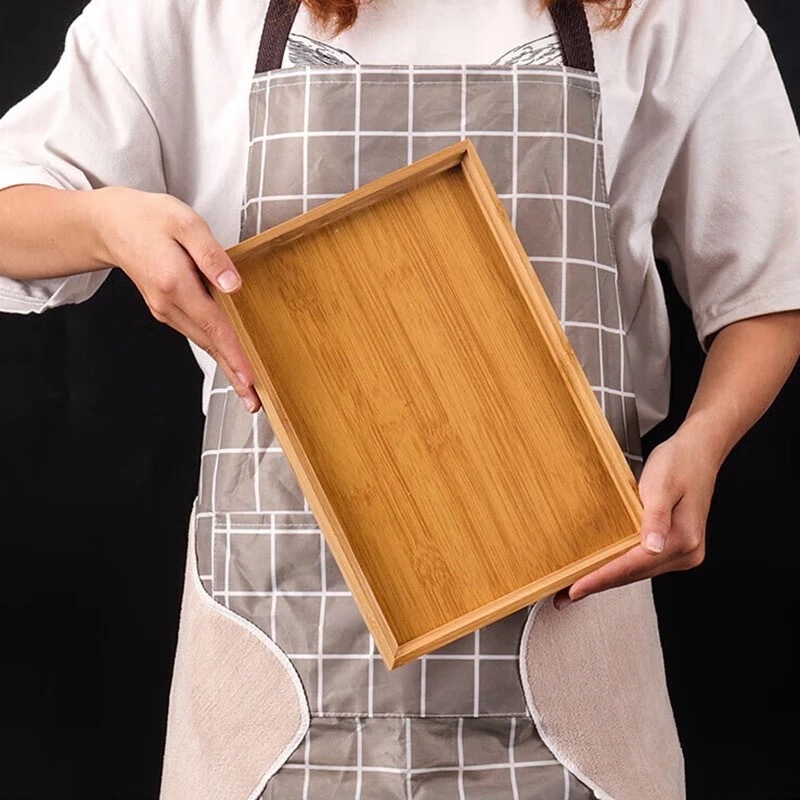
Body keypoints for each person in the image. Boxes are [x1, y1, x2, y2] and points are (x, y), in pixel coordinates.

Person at [1, 0, 799, 797]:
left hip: (574, 639)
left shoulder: (672, 14)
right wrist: (106, 222)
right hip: (270, 649)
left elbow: (771, 287)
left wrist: (705, 439)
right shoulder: (189, 12)